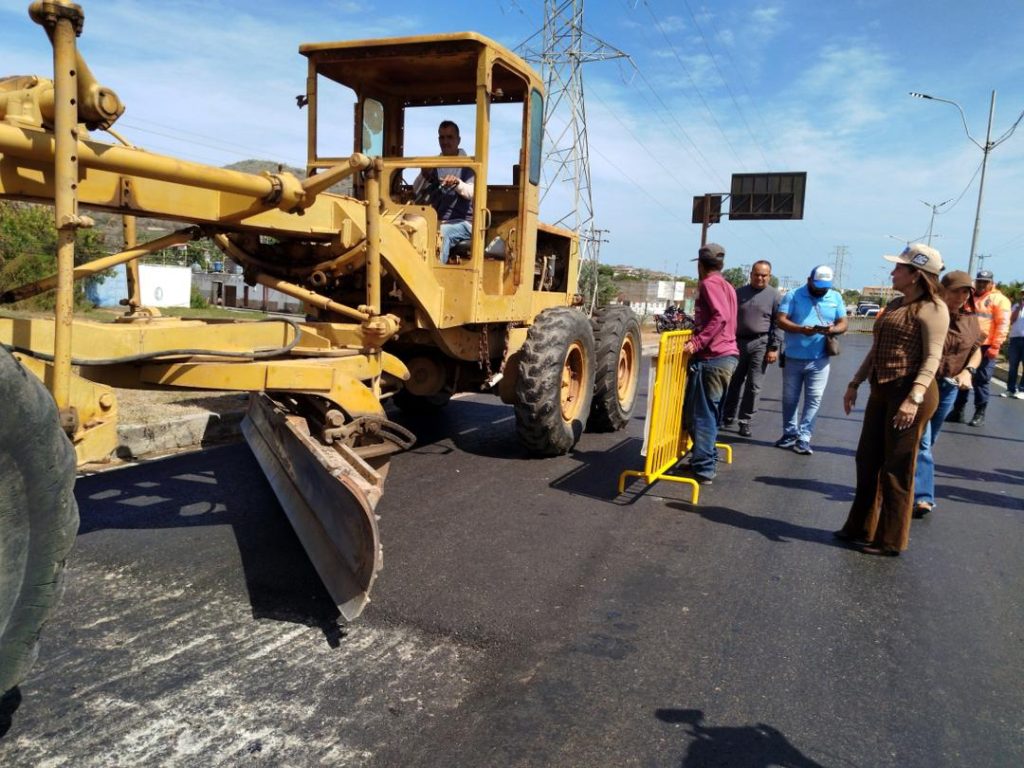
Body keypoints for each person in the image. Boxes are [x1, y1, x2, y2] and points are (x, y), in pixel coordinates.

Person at [837, 243, 949, 556]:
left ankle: (889, 539)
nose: (893, 272)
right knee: (867, 459)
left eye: (899, 268)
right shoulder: (898, 303)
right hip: (883, 388)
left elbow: (932, 357)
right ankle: (860, 527)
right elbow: (877, 350)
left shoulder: (934, 309)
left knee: (897, 466)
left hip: (912, 391)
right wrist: (855, 382)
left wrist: (913, 398)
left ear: (916, 275)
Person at [912, 270, 984, 518]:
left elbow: (977, 349)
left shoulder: (970, 319)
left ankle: (903, 483)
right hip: (926, 383)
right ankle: (923, 497)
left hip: (950, 386)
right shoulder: (930, 311)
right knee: (922, 442)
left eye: (966, 292)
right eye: (957, 291)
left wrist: (969, 372)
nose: (962, 296)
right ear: (943, 290)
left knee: (927, 442)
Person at [774, 265, 848, 455]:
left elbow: (843, 323)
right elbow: (781, 320)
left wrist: (832, 330)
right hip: (793, 357)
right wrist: (800, 329)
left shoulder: (835, 297)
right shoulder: (793, 295)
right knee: (790, 399)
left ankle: (804, 437)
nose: (822, 290)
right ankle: (789, 434)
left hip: (820, 360)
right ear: (809, 280)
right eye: (818, 286)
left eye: (825, 287)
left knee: (814, 399)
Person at [682, 243, 739, 484]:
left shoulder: (709, 284)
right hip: (726, 357)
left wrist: (698, 342)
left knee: (702, 416)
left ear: (700, 264)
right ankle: (706, 459)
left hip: (713, 358)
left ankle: (704, 468)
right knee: (710, 414)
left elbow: (721, 317)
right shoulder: (727, 286)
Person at [722, 260, 780, 437]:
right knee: (733, 382)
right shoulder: (739, 293)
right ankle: (727, 415)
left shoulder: (775, 296)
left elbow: (778, 323)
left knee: (754, 385)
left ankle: (745, 420)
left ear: (769, 276)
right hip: (737, 343)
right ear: (751, 274)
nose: (760, 278)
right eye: (757, 274)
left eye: (764, 275)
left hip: (761, 344)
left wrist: (774, 347)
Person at [947, 269, 1010, 425]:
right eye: (979, 281)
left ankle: (979, 413)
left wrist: (996, 346)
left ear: (991, 283)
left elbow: (1003, 324)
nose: (981, 284)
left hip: (986, 346)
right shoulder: (969, 296)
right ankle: (958, 411)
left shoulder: (999, 300)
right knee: (960, 377)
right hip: (966, 345)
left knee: (981, 381)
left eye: (985, 282)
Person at [413, 120, 475, 264]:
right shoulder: (435, 163)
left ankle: (433, 275)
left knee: (443, 234)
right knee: (413, 230)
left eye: (449, 137)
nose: (445, 141)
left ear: (458, 140)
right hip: (438, 220)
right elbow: (416, 190)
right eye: (442, 137)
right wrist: (423, 174)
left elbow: (471, 192)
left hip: (465, 223)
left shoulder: (469, 164)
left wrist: (457, 183)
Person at [1000, 295, 1024, 399]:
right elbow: (1011, 319)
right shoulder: (1016, 306)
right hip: (1015, 339)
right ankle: (1010, 389)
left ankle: (1022, 390)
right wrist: (1019, 307)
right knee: (1013, 366)